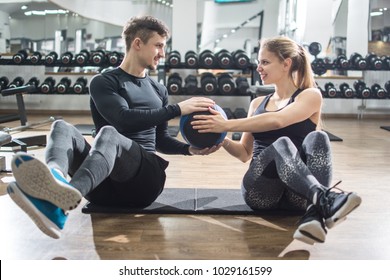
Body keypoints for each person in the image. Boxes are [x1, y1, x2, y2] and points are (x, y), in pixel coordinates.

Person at [7, 15, 219, 239]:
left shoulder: (158, 89)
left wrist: (188, 149)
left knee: (108, 133)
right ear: (137, 43)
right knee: (61, 127)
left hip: (143, 182)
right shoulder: (104, 82)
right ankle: (56, 181)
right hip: (101, 186)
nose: (163, 53)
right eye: (158, 45)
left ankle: (59, 202)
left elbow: (160, 139)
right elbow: (123, 119)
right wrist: (177, 109)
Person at [191, 36, 362, 245]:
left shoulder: (310, 95)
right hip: (261, 192)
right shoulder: (256, 103)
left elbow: (278, 120)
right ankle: (324, 200)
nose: (258, 68)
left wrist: (226, 124)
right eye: (258, 62)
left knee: (319, 137)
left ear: (286, 64)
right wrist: (222, 138)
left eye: (265, 62)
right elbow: (245, 153)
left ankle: (314, 214)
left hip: (297, 194)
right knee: (281, 145)